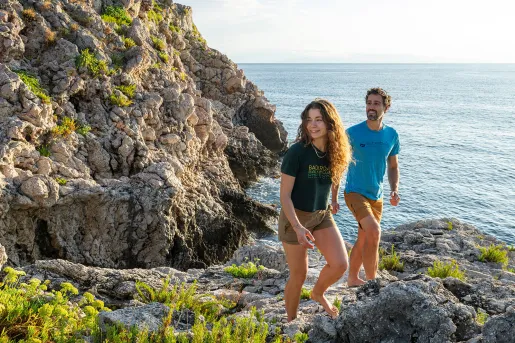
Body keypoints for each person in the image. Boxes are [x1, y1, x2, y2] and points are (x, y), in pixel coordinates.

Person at [279, 99, 352, 322]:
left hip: (321, 215)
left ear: (330, 123)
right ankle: (291, 321)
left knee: (340, 264)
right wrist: (298, 228)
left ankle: (318, 292)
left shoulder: (335, 151)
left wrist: (335, 199)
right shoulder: (297, 153)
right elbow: (284, 196)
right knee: (299, 274)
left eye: (318, 119)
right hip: (295, 218)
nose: (313, 125)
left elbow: (336, 175)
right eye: (309, 120)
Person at [344, 87, 401, 287]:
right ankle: (372, 282)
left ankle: (352, 279)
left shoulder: (391, 135)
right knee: (374, 232)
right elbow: (337, 162)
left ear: (386, 107)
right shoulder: (352, 133)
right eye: (369, 103)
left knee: (364, 236)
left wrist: (394, 188)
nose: (371, 107)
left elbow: (393, 165)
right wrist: (332, 196)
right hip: (354, 192)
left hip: (377, 195)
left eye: (376, 104)